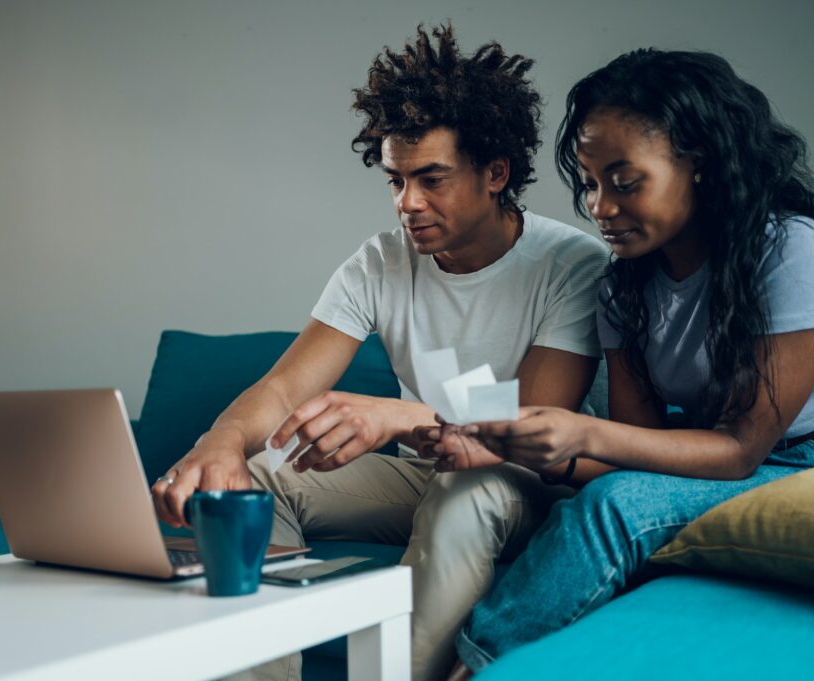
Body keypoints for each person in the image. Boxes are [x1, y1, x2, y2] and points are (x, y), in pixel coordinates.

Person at [150, 24, 610, 681]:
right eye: (395, 181)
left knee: (465, 492)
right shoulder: (380, 262)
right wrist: (222, 440)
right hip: (428, 472)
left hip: (523, 483)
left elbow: (527, 427)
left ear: (495, 173)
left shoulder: (570, 264)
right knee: (260, 476)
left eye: (431, 179)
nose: (407, 204)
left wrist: (399, 418)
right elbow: (284, 389)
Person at [429, 49, 814, 675]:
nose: (599, 207)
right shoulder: (623, 288)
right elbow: (632, 446)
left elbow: (741, 450)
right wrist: (532, 452)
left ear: (698, 162)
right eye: (589, 183)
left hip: (813, 463)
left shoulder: (793, 250)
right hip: (702, 458)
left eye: (624, 181)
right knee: (584, 500)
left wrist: (584, 433)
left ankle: (471, 668)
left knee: (613, 509)